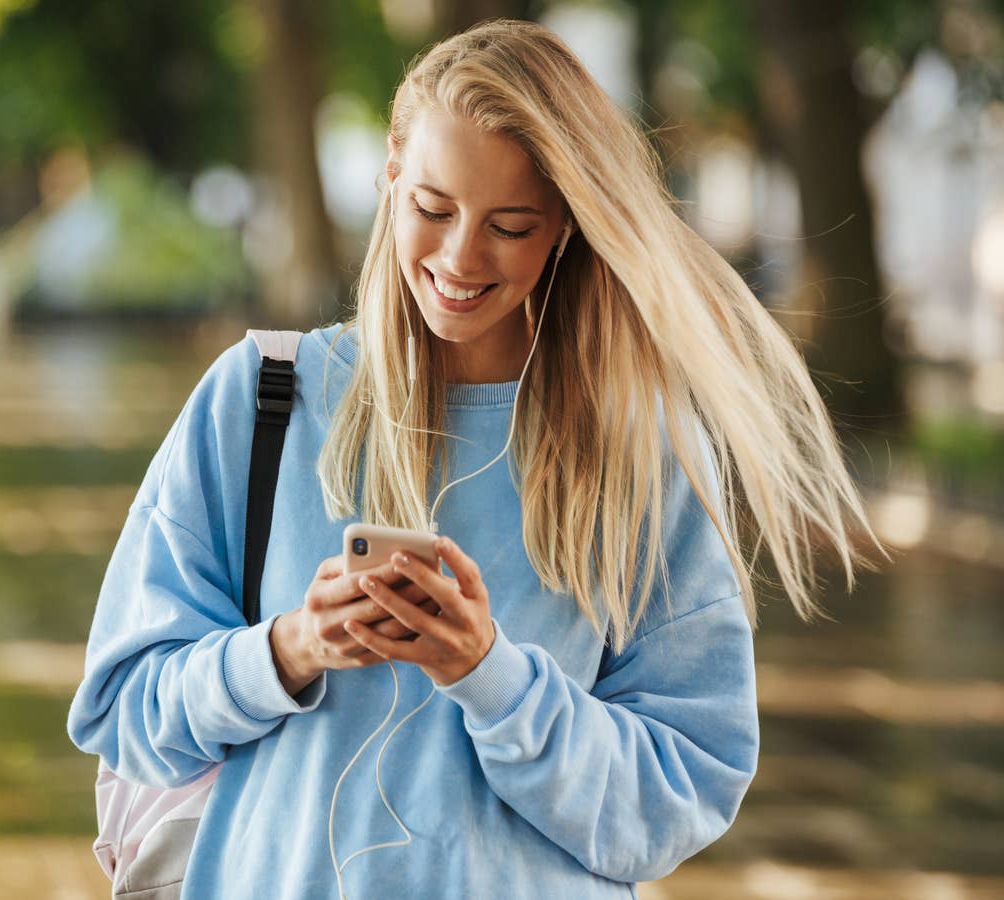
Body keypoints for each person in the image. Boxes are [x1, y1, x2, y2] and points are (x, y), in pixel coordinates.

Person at [68, 19, 883, 899]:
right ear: (390, 181)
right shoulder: (264, 397)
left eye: (510, 225)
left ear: (566, 225)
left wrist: (488, 675)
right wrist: (291, 649)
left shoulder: (648, 450)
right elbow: (122, 709)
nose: (460, 257)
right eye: (432, 208)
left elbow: (679, 793)